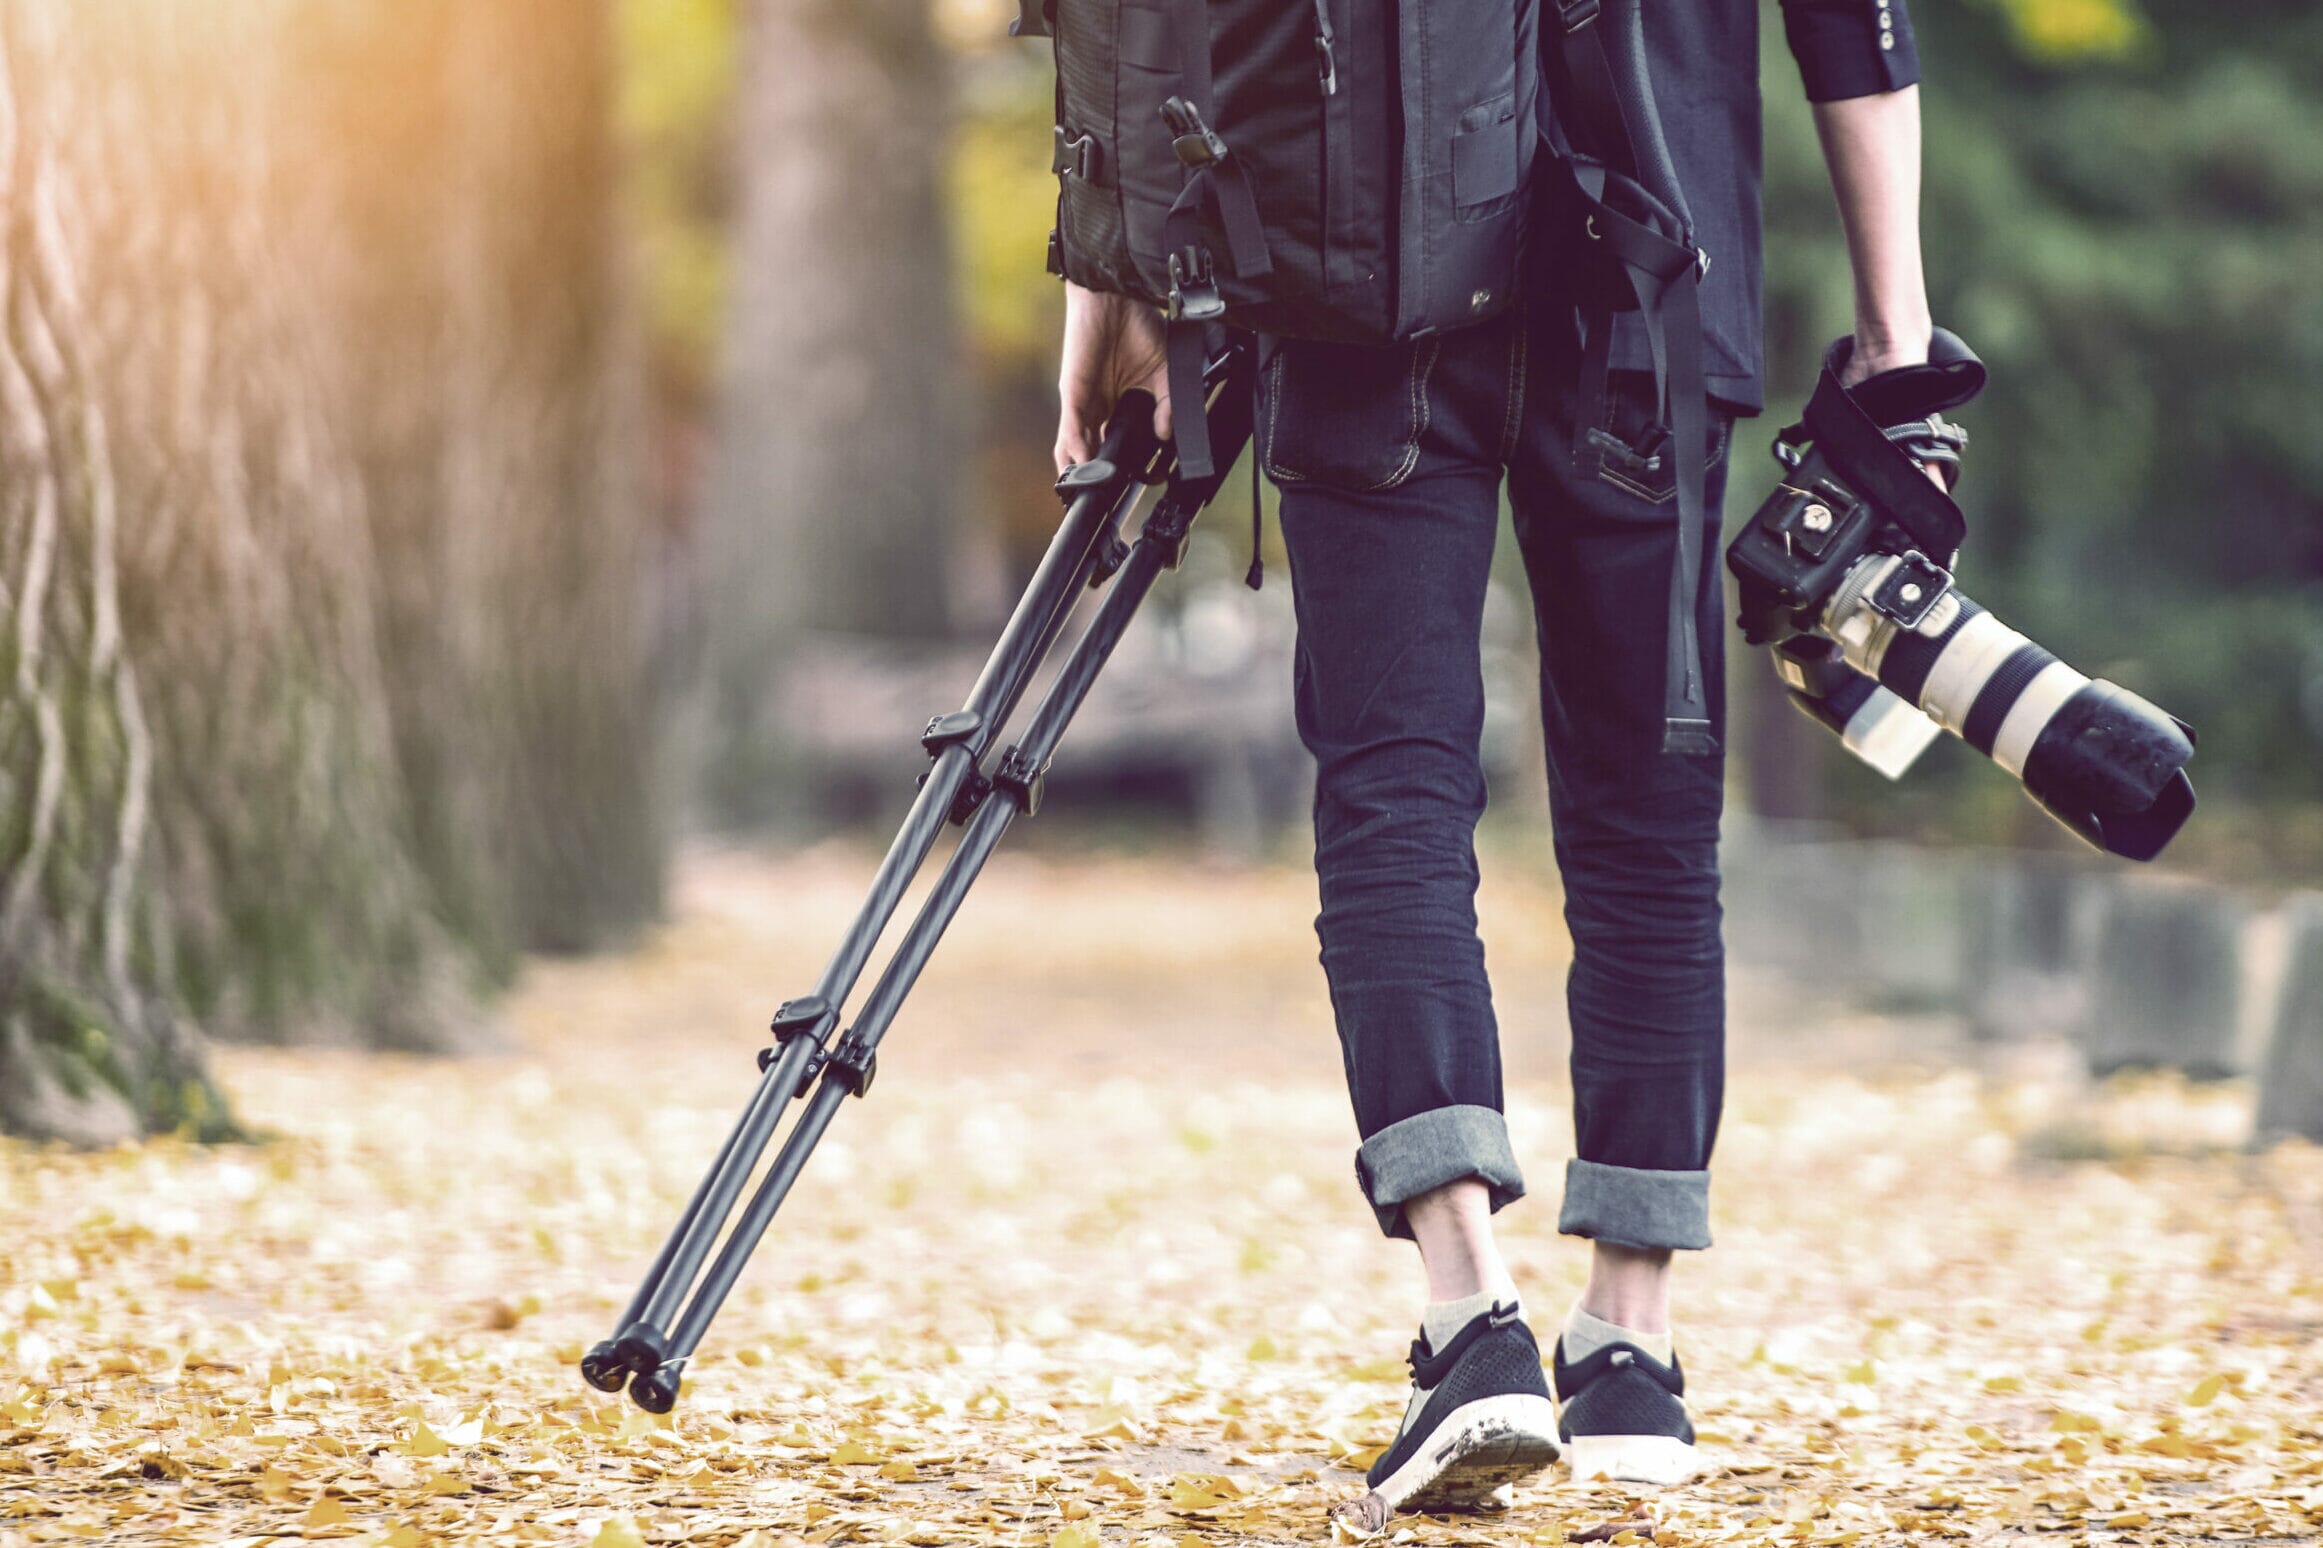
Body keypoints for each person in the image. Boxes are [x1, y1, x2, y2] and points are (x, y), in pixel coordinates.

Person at [1054, 0, 1935, 1514]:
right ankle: (1632, 1350)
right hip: (1654, 273)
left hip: (1355, 270)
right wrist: (1897, 348)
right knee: (1650, 816)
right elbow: (1852, 25)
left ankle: (1473, 1325)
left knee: (1394, 789)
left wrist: (1116, 285)